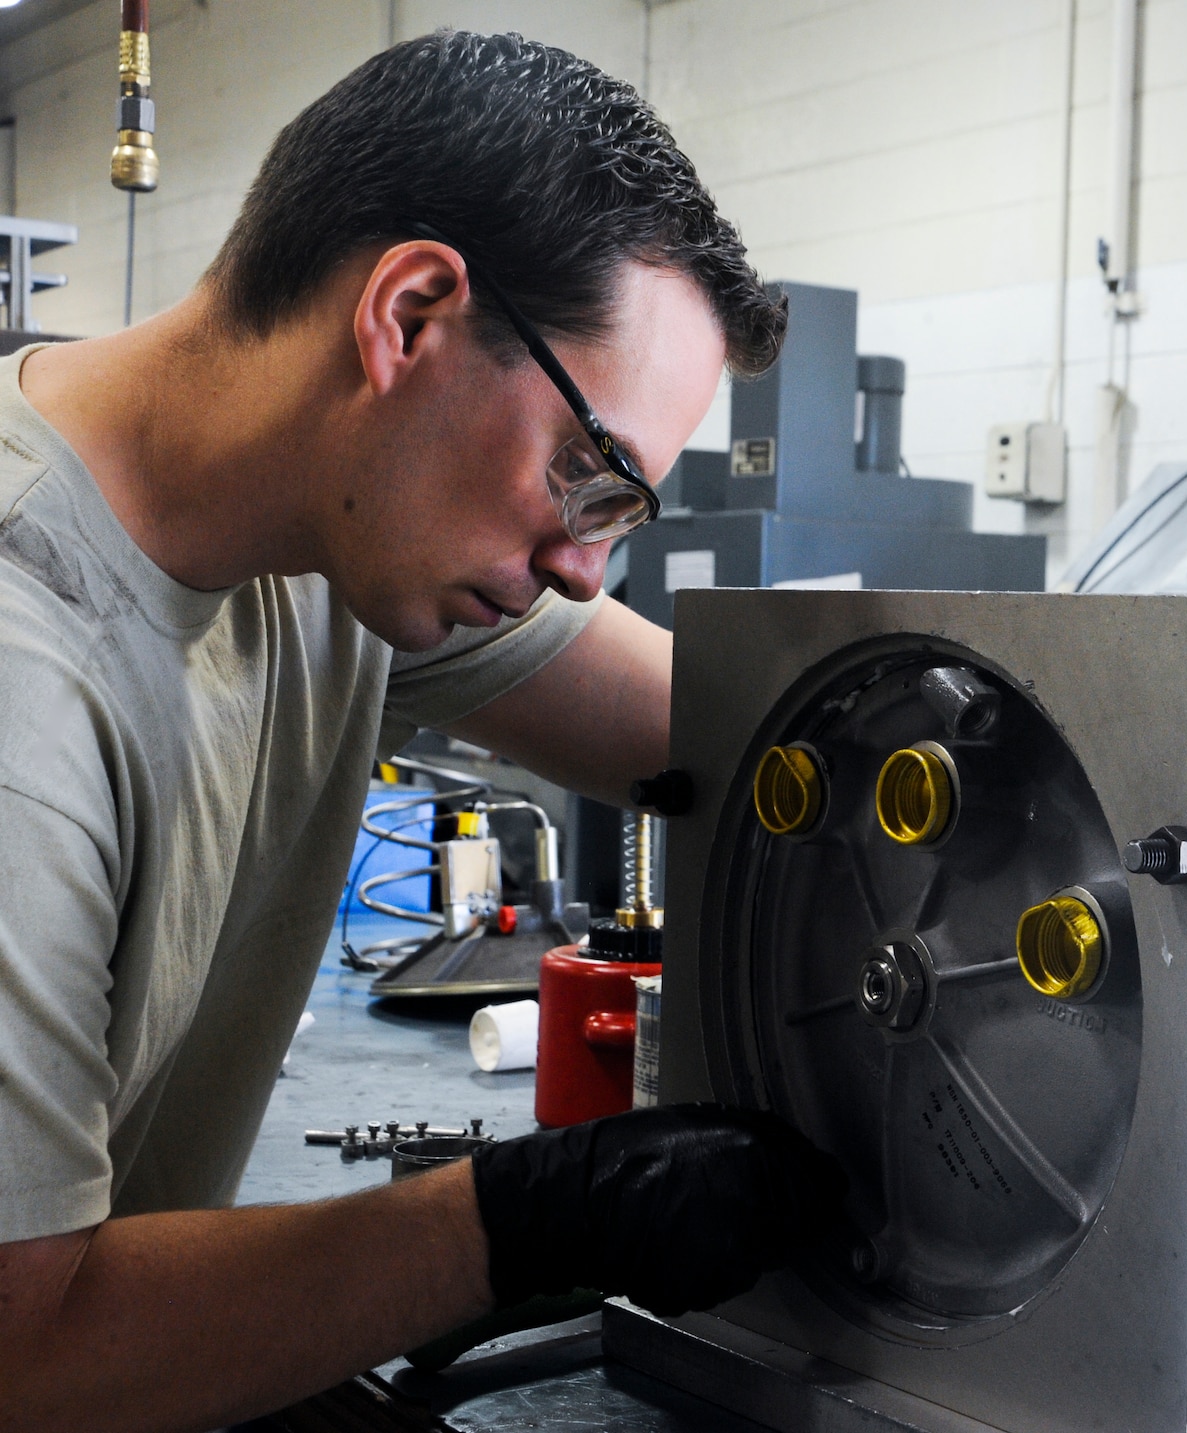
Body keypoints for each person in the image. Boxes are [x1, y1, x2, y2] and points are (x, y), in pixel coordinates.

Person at [0, 30, 845, 1431]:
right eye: (590, 476)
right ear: (408, 317)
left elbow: (719, 726)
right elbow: (27, 1352)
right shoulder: (30, 674)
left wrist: (1146, 714)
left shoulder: (318, 535)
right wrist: (519, 1221)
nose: (587, 565)